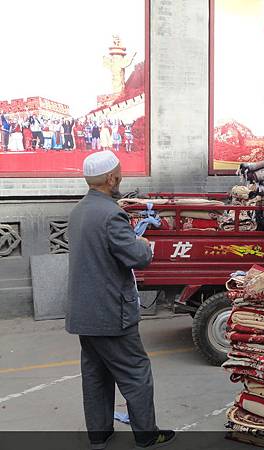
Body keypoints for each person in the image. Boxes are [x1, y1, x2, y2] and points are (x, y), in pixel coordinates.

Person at [66, 150, 175, 450]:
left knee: (96, 373)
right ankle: (146, 434)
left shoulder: (78, 211)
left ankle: (99, 434)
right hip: (111, 313)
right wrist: (143, 244)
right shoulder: (112, 213)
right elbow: (136, 258)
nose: (122, 178)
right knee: (136, 372)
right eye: (120, 174)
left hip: (84, 313)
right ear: (111, 178)